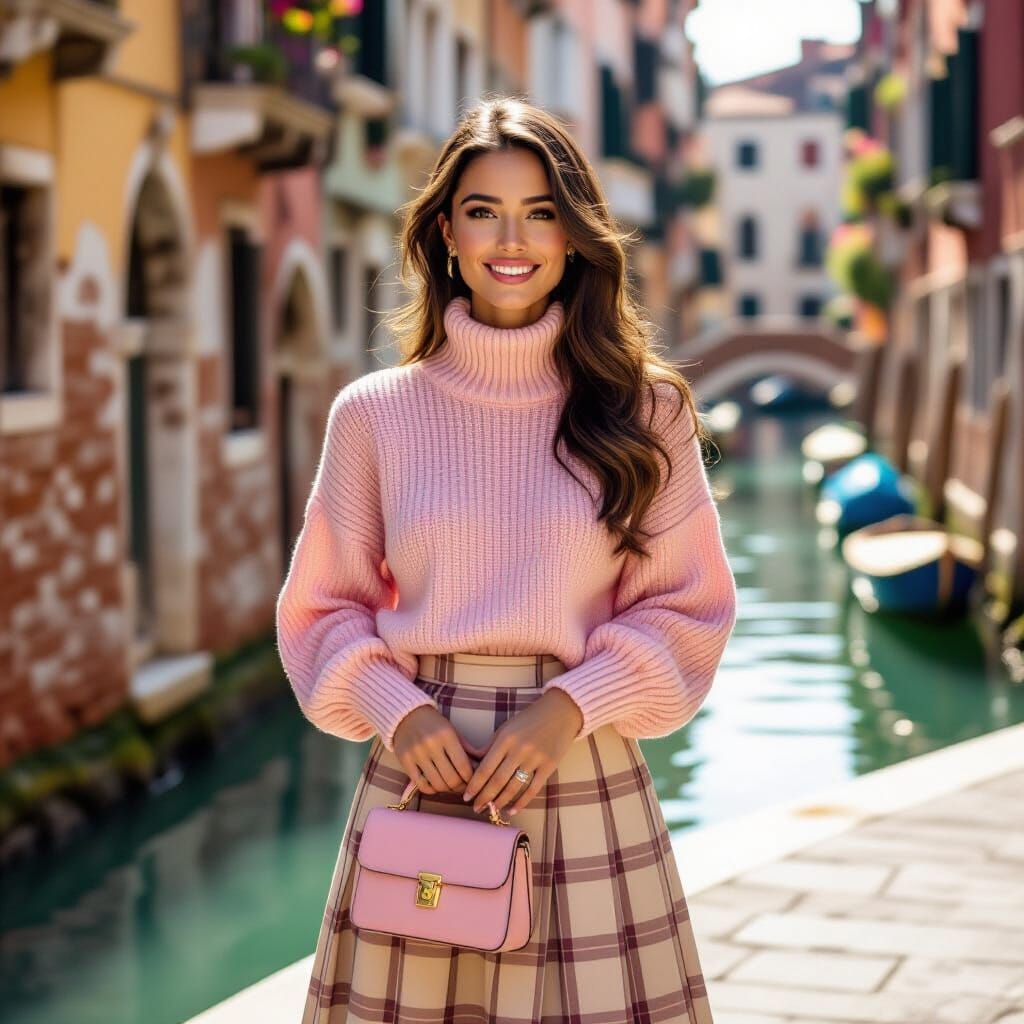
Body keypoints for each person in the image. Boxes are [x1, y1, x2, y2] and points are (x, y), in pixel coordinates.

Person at [276, 95, 738, 1023]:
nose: (512, 239)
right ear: (446, 232)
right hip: (422, 775)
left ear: (575, 236)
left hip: (583, 766)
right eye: (484, 210)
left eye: (541, 212)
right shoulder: (374, 414)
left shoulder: (647, 413)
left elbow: (690, 608)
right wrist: (398, 711)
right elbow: (321, 609)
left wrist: (573, 705)